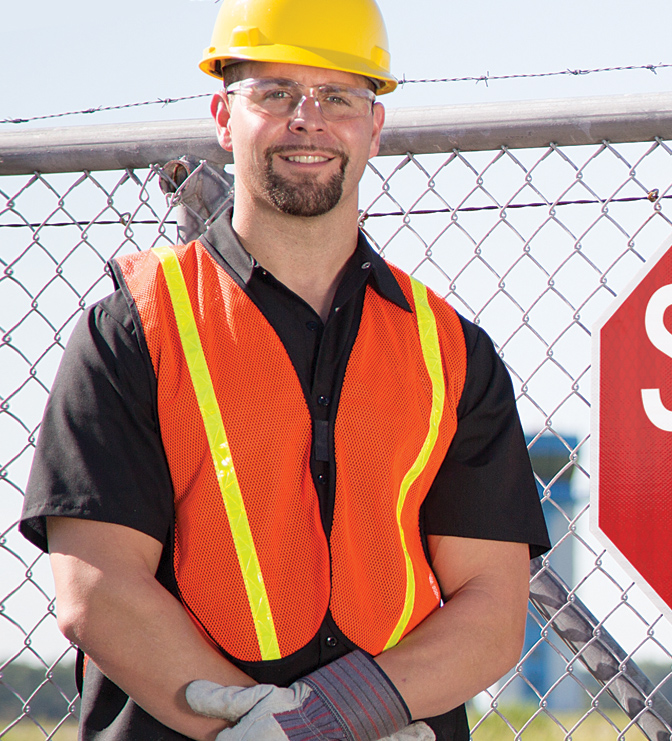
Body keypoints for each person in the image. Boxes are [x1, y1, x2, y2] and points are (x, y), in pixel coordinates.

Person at [19, 0, 550, 739]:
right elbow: (96, 587)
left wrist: (337, 721)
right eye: (274, 93)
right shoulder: (135, 330)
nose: (310, 119)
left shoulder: (451, 352)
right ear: (221, 114)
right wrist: (260, 728)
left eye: (339, 96)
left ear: (374, 125)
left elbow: (492, 605)